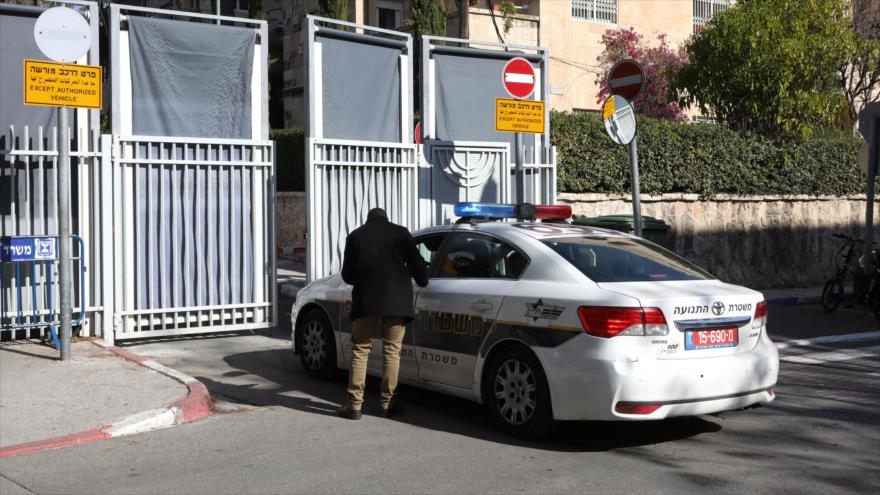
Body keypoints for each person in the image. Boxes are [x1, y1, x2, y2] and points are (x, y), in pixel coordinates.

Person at [338, 207, 429, 420]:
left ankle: (354, 406)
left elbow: (347, 275)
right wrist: (423, 280)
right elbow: (417, 264)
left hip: (366, 302)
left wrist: (365, 278)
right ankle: (387, 403)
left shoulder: (356, 236)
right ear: (387, 218)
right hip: (396, 301)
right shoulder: (400, 233)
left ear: (368, 220)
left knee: (360, 350)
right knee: (392, 351)